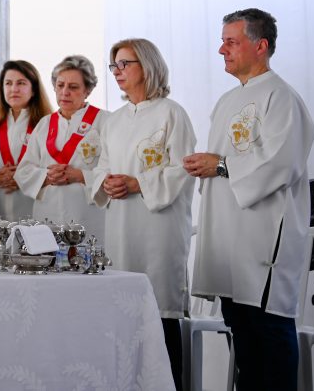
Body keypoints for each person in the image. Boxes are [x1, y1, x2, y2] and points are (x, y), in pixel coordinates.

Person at [183, 8, 314, 391]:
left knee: (269, 334)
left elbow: (283, 162)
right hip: (229, 238)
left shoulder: (281, 97)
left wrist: (221, 165)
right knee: (243, 337)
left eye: (231, 41)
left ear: (260, 46)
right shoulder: (228, 100)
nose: (221, 49)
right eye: (222, 40)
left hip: (263, 238)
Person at [90, 38, 195, 390]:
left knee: (159, 314)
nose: (118, 72)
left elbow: (182, 169)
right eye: (114, 66)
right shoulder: (114, 120)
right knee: (123, 316)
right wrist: (106, 183)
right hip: (120, 225)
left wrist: (139, 183)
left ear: (147, 65)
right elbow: (100, 165)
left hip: (158, 228)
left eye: (125, 64)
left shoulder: (171, 113)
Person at [14, 55, 108, 244]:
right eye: (60, 85)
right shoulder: (44, 124)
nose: (65, 92)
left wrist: (80, 175)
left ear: (87, 90)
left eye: (73, 87)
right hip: (47, 213)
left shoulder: (105, 121)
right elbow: (23, 171)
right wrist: (47, 177)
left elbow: (114, 169)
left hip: (87, 214)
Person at [0, 60, 53, 222]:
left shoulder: (48, 124)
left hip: (34, 210)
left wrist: (25, 178)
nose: (13, 89)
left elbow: (54, 167)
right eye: (8, 83)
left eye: (21, 83)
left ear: (33, 90)